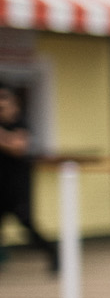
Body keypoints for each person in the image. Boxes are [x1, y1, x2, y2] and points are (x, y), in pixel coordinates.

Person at [0, 84, 57, 274]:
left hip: (18, 188)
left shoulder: (21, 123)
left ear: (13, 103)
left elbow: (18, 147)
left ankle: (54, 253)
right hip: (1, 187)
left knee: (28, 227)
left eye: (4, 101)